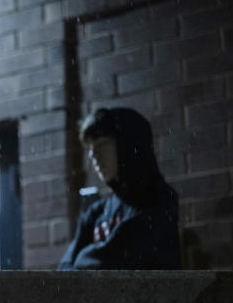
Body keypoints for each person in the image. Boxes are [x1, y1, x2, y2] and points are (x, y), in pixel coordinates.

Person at [57, 107, 180, 270]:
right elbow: (65, 267)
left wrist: (82, 260)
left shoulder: (159, 200)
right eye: (91, 148)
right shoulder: (97, 212)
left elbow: (115, 262)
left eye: (101, 144)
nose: (93, 156)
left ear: (127, 145)